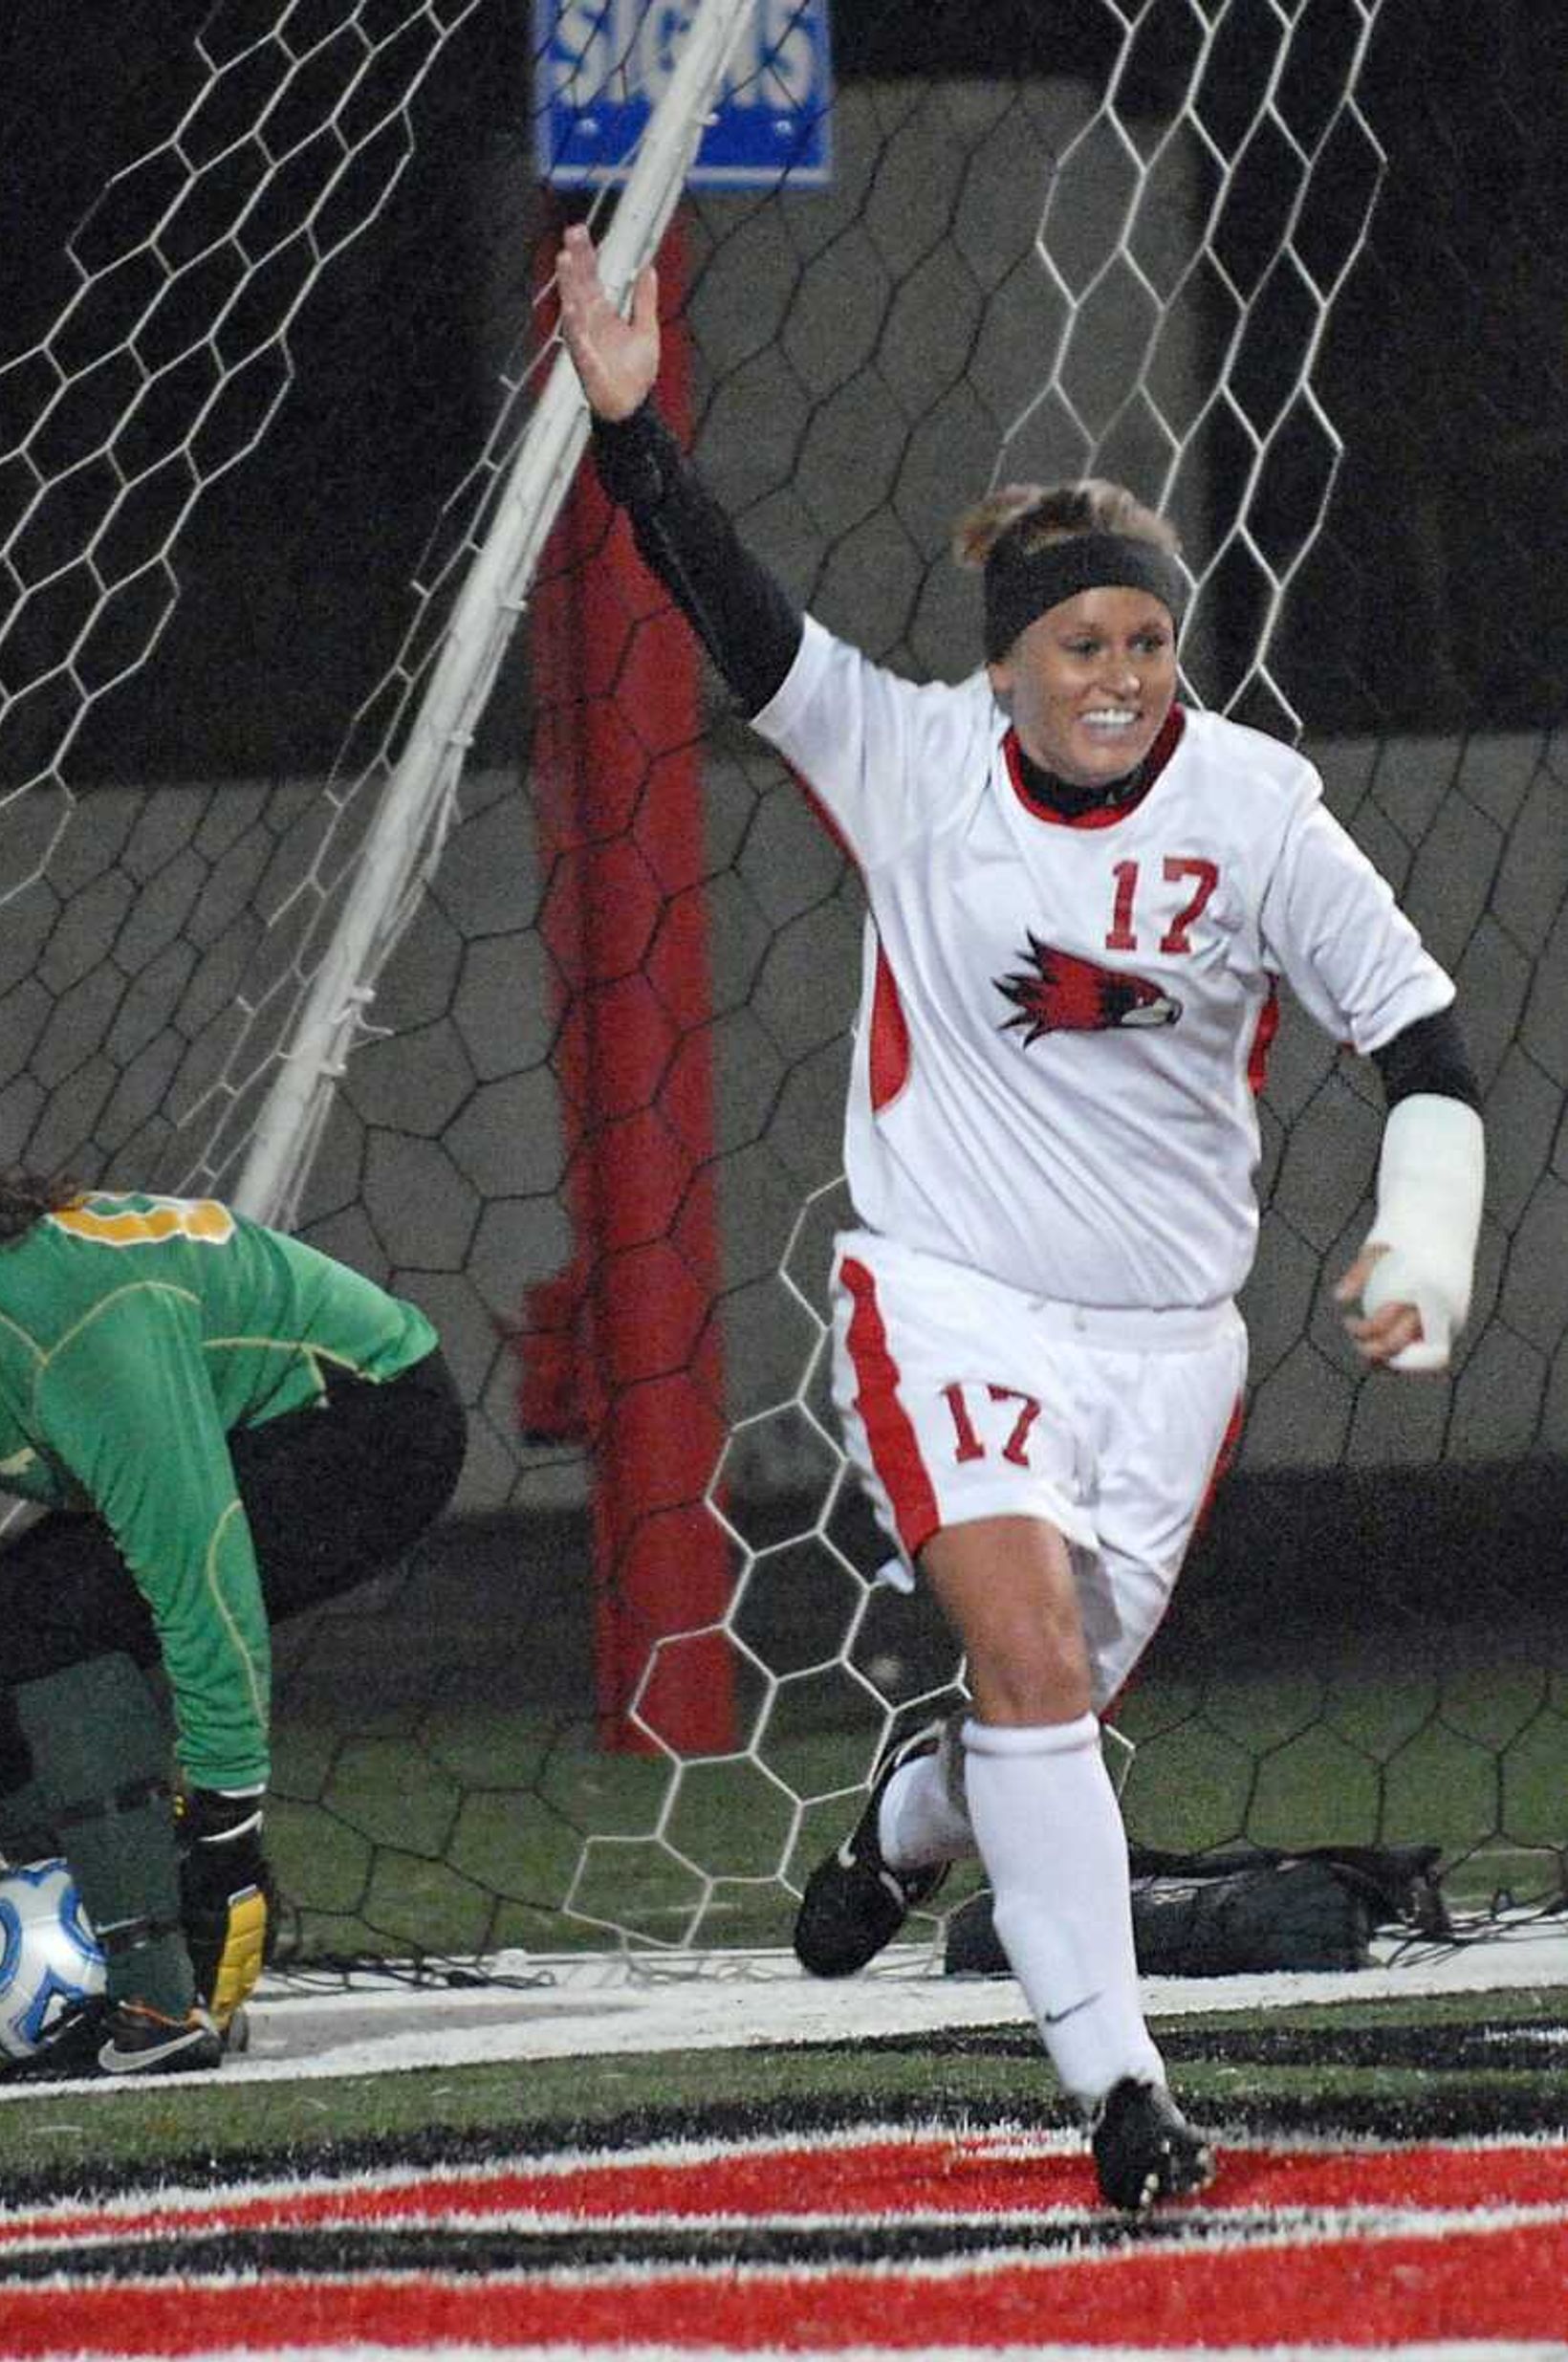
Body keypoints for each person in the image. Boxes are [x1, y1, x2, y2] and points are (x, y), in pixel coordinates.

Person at [554, 223, 1485, 2211]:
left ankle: (907, 1819)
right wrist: (633, 438)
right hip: (949, 1297)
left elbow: (1423, 1043)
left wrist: (1422, 1241)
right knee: (1037, 1664)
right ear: (1005, 660)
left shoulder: (1252, 806)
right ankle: (1124, 2091)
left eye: (1146, 642)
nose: (1121, 676)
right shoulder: (906, 762)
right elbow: (741, 619)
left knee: (1019, 1708)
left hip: (1169, 1350)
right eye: (1082, 643)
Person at [0, 1153, 466, 2079]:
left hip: (372, 1417)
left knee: (53, 1614)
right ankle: (156, 1949)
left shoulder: (80, 1326)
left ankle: (159, 1996)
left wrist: (225, 1831)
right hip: (237, 1433)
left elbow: (200, 1583)